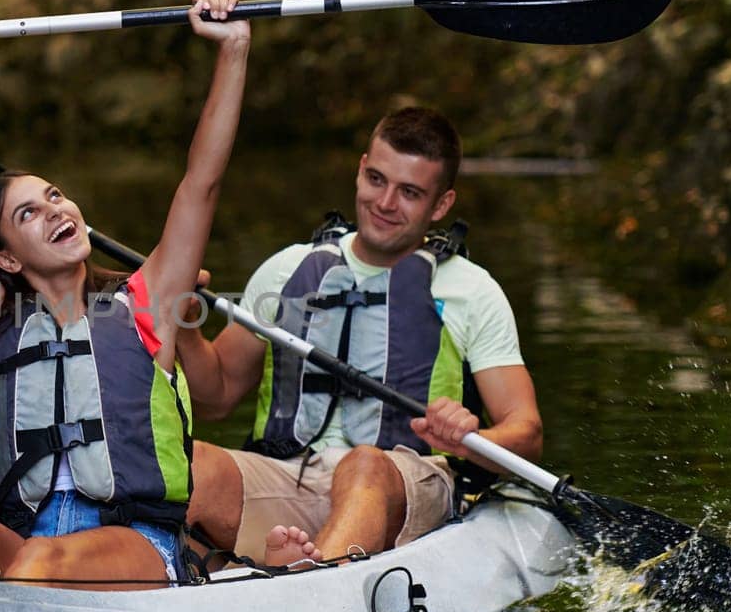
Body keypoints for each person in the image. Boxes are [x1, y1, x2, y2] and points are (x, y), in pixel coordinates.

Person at [0, 0, 251, 589]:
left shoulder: (149, 303)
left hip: (136, 545)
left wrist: (233, 51)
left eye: (55, 196)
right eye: (29, 213)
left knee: (36, 563)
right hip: (24, 543)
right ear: (6, 257)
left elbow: (202, 182)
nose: (55, 210)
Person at [177, 107, 542, 567]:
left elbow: (526, 432)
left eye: (409, 193)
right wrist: (185, 327)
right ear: (360, 168)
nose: (386, 203)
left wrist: (468, 436)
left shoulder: (472, 290)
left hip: (405, 478)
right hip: (290, 474)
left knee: (363, 464)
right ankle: (192, 575)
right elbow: (218, 396)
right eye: (376, 179)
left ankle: (309, 587)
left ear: (442, 204)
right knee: (191, 463)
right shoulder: (289, 268)